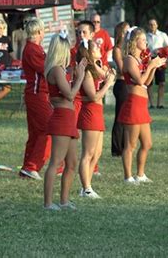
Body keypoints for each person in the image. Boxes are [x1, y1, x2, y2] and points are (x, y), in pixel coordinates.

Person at [43, 32, 87, 210]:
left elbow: (69, 93)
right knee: (56, 162)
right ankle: (47, 203)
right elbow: (69, 95)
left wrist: (77, 75)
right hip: (61, 118)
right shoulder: (56, 69)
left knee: (72, 163)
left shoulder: (61, 70)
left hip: (69, 118)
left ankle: (64, 200)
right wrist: (80, 78)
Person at [118, 28, 166, 183]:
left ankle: (140, 174)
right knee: (130, 145)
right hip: (133, 104)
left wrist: (154, 66)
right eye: (143, 39)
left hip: (142, 105)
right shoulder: (129, 59)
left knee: (147, 143)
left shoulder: (140, 60)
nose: (146, 42)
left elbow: (147, 82)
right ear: (135, 41)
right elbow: (139, 81)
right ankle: (128, 177)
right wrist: (151, 65)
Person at [77, 38, 116, 198]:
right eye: (96, 47)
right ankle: (86, 188)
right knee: (88, 153)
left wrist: (105, 71)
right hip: (90, 112)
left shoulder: (95, 67)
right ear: (89, 52)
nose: (100, 47)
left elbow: (109, 74)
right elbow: (93, 97)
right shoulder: (86, 72)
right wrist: (108, 84)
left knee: (97, 153)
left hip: (98, 113)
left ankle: (88, 184)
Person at [19, 18, 52, 180]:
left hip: (36, 94)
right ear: (39, 32)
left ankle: (27, 166)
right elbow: (47, 70)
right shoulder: (33, 50)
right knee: (47, 130)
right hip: (38, 94)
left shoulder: (34, 48)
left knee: (35, 132)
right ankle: (33, 165)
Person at [111, 21, 130, 157]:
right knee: (120, 117)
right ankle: (117, 148)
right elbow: (122, 69)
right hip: (121, 84)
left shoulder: (129, 48)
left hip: (129, 84)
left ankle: (126, 145)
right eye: (127, 31)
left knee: (127, 117)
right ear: (121, 33)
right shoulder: (117, 49)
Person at [146, 19, 168, 109]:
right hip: (149, 59)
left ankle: (160, 103)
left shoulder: (162, 35)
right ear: (148, 26)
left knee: (162, 82)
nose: (152, 26)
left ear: (157, 25)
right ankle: (151, 103)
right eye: (150, 24)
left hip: (160, 59)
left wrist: (160, 50)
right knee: (149, 82)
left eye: (154, 24)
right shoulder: (145, 36)